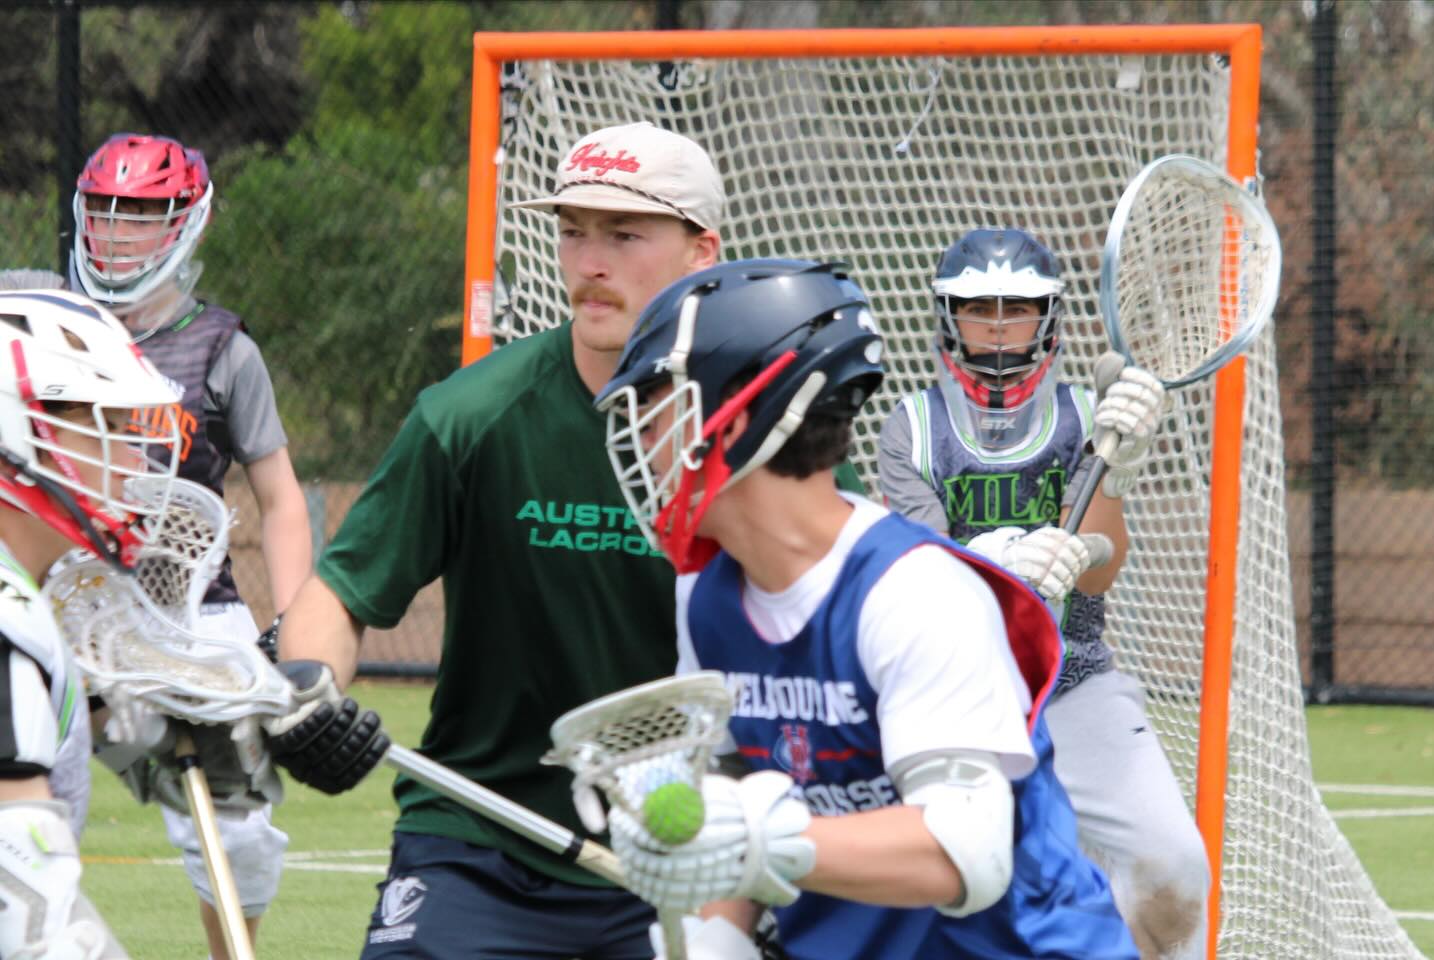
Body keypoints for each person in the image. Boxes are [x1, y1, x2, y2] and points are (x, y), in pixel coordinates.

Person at [593, 257, 1139, 959]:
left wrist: (760, 837)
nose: (639, 438)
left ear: (735, 417)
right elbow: (737, 781)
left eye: (657, 407)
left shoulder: (915, 594)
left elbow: (963, 855)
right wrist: (716, 933)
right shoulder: (706, 594)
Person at [277, 121, 725, 958]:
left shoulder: (761, 435)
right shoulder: (470, 417)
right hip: (478, 841)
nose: (590, 263)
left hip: (689, 854)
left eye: (624, 235)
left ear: (702, 253)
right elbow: (338, 596)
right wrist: (309, 694)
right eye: (573, 233)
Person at [874, 228, 1209, 959]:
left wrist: (1116, 474)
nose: (998, 326)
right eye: (979, 308)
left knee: (1173, 868)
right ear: (947, 316)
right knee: (959, 887)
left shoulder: (1089, 417)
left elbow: (1098, 573)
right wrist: (1002, 560)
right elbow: (916, 572)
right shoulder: (914, 430)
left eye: (1018, 308)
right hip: (954, 690)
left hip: (1072, 678)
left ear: (1049, 318)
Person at [71, 132, 314, 959]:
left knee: (242, 829)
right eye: (105, 213)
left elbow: (280, 502)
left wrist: (292, 629)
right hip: (57, 603)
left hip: (191, 615)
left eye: (141, 216)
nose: (117, 233)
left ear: (187, 226)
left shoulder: (222, 350)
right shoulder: (42, 328)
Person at [0, 287, 186, 959]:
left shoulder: (28, 593)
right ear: (25, 437)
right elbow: (23, 903)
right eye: (107, 430)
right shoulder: (5, 618)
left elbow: (111, 729)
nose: (136, 464)